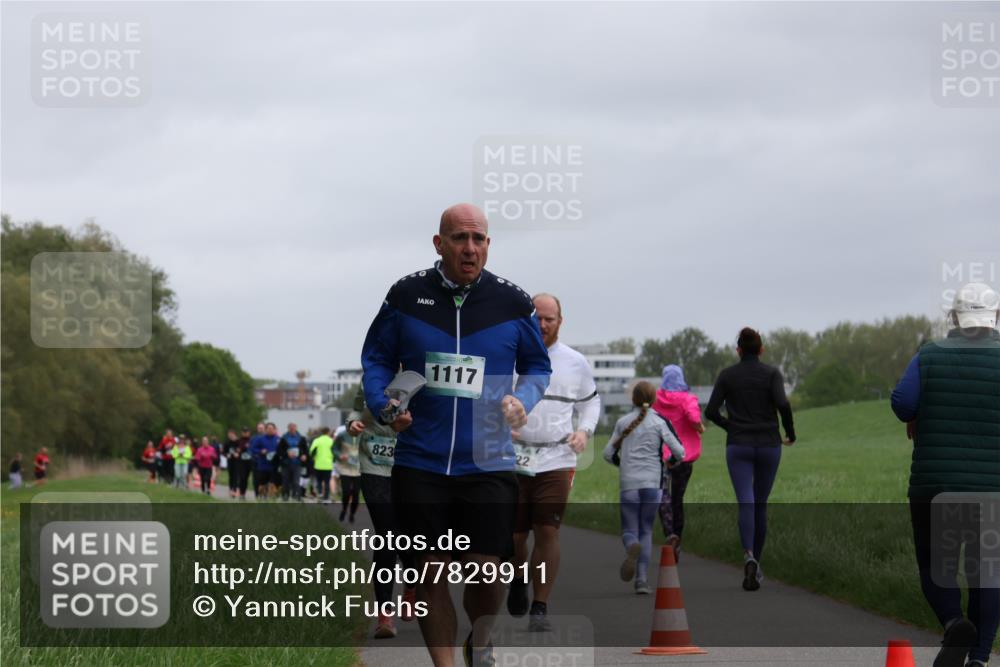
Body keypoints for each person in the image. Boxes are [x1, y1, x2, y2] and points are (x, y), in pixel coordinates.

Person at [361, 202, 551, 667]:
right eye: (460, 238)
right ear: (439, 243)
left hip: (487, 459)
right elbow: (377, 358)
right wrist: (385, 404)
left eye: (479, 239)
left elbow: (537, 365)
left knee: (488, 572)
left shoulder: (511, 302)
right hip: (420, 461)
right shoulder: (406, 295)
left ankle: (480, 638)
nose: (470, 249)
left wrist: (521, 399)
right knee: (426, 573)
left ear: (488, 245)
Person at [891, 281, 1000, 667]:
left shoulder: (930, 353)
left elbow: (903, 404)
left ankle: (954, 622)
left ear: (954, 317)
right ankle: (979, 658)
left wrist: (923, 412)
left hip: (933, 486)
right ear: (995, 317)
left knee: (935, 564)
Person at [507, 293, 600, 631]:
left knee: (547, 530)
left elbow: (591, 403)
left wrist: (584, 432)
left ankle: (541, 605)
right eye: (537, 318)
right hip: (514, 458)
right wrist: (501, 424)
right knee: (515, 536)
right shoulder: (510, 357)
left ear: (561, 321)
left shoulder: (575, 362)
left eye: (550, 318)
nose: (543, 324)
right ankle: (517, 577)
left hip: (557, 457)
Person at [705, 326, 795, 592]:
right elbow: (783, 404)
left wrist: (730, 426)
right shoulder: (772, 374)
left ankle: (749, 556)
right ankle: (758, 564)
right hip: (768, 444)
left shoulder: (727, 375)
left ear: (738, 350)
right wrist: (789, 433)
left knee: (746, 501)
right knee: (760, 504)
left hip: (739, 445)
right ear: (762, 349)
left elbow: (710, 411)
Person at [347, 385, 418, 639]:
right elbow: (356, 411)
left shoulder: (418, 371)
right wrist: (353, 425)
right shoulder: (370, 379)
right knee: (387, 536)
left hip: (412, 464)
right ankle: (384, 614)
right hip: (374, 466)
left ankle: (412, 587)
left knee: (409, 538)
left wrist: (403, 426)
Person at [603, 381, 684, 594]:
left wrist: (623, 465)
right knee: (646, 530)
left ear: (633, 399)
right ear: (654, 398)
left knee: (630, 530)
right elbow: (680, 452)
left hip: (629, 484)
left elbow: (607, 454)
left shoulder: (623, 422)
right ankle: (641, 580)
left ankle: (631, 547)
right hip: (652, 484)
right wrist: (669, 464)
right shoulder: (659, 421)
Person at [652, 364, 704, 557]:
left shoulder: (656, 398)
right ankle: (678, 540)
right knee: (677, 499)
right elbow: (693, 416)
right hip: (684, 457)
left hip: (661, 457)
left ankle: (669, 533)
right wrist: (699, 426)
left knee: (662, 496)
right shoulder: (688, 399)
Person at [333, 424, 361, 521]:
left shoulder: (363, 435)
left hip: (358, 470)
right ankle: (344, 509)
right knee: (346, 492)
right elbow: (334, 448)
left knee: (356, 495)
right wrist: (339, 455)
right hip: (345, 468)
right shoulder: (342, 435)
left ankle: (352, 513)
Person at [277, 423, 307, 501]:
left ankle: (296, 496)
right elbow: (279, 451)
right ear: (288, 429)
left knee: (296, 481)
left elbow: (305, 450)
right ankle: (285, 496)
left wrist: (304, 455)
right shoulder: (284, 438)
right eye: (291, 429)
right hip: (286, 463)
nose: (292, 430)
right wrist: (287, 454)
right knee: (285, 481)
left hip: (297, 463)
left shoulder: (301, 438)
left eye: (294, 428)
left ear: (296, 428)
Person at [252, 422, 280, 499]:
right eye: (268, 429)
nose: (270, 430)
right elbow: (253, 449)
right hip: (263, 465)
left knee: (272, 484)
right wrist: (261, 451)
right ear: (266, 429)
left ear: (274, 430)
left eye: (272, 429)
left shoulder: (278, 439)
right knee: (262, 484)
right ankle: (260, 497)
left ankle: (271, 499)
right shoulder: (260, 439)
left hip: (274, 466)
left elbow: (282, 450)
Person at [309, 427, 335, 502]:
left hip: (318, 464)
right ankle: (326, 497)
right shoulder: (331, 441)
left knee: (319, 481)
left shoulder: (317, 441)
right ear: (328, 432)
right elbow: (334, 451)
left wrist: (314, 458)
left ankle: (320, 494)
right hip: (328, 464)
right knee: (327, 481)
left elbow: (311, 451)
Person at [233, 427, 254, 500]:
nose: (245, 433)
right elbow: (234, 449)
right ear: (242, 433)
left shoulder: (252, 440)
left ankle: (243, 493)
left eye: (247, 431)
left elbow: (253, 449)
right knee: (242, 477)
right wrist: (236, 452)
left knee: (246, 478)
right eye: (244, 432)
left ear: (249, 432)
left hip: (249, 462)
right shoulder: (238, 441)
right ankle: (241, 493)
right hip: (241, 462)